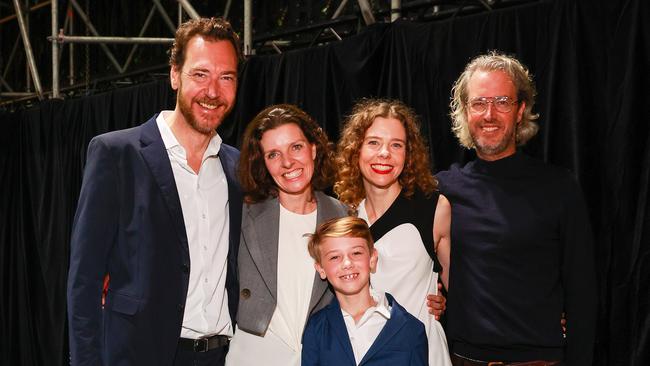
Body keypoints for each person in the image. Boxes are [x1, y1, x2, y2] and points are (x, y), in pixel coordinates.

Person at [67, 18, 242, 366]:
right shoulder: (116, 154)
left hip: (221, 356)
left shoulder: (237, 168)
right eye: (200, 74)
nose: (213, 91)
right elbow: (84, 280)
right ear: (175, 75)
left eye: (226, 77)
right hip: (139, 355)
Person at [437, 51, 597, 365]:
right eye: (479, 103)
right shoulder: (443, 190)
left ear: (520, 109)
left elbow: (583, 294)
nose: (489, 114)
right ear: (466, 112)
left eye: (502, 102)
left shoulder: (559, 187)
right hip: (462, 359)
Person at [225, 104, 347, 366]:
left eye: (296, 147)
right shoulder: (243, 214)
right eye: (273, 154)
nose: (287, 162)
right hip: (253, 355)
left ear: (313, 148)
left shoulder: (341, 215)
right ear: (263, 163)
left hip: (318, 355)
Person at [335, 99, 452, 366]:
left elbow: (465, 289)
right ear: (357, 150)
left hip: (423, 355)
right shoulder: (343, 214)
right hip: (360, 355)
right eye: (374, 142)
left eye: (396, 145)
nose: (384, 153)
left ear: (408, 155)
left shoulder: (434, 209)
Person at [302, 216, 428, 366]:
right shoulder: (316, 328)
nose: (347, 263)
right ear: (321, 269)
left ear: (372, 259)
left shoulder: (411, 330)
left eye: (356, 253)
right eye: (335, 257)